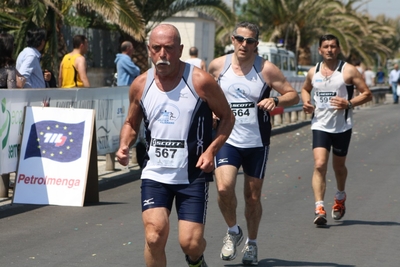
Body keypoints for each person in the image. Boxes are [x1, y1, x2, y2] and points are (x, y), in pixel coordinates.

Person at [116, 24, 234, 267]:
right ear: (149, 50)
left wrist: (212, 151)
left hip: (192, 174)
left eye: (168, 48)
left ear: (179, 49)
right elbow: (131, 122)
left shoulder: (200, 81)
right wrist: (124, 145)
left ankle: (196, 260)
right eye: (157, 48)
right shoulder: (140, 85)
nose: (162, 54)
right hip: (155, 173)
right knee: (154, 236)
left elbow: (227, 117)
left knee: (190, 243)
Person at [208, 21, 299, 265]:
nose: (244, 44)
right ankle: (233, 231)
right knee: (224, 188)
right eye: (240, 39)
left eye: (250, 41)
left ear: (256, 44)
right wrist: (212, 112)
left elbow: (293, 95)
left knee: (253, 198)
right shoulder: (218, 66)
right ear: (232, 39)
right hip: (226, 139)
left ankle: (252, 243)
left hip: (257, 141)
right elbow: (204, 93)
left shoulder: (266, 69)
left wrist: (277, 100)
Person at [301, 34, 372, 226]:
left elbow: (367, 94)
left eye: (333, 46)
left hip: (342, 127)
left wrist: (348, 103)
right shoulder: (312, 71)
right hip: (320, 125)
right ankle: (319, 207)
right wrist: (307, 102)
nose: (329, 50)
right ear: (320, 50)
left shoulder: (348, 71)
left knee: (338, 167)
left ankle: (340, 197)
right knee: (319, 164)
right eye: (326, 46)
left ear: (338, 49)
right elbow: (305, 89)